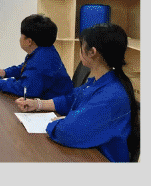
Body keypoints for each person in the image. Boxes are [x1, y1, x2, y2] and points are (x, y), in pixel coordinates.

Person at [15, 23, 138, 162]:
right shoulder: (100, 82)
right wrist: (38, 104)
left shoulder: (111, 95)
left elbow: (67, 132)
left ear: (92, 52)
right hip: (88, 152)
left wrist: (55, 122)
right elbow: (71, 98)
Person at [0, 14, 72, 100]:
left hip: (56, 109)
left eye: (21, 35)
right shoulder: (45, 50)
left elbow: (25, 89)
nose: (20, 39)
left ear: (29, 41)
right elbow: (26, 68)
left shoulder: (40, 61)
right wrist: (6, 72)